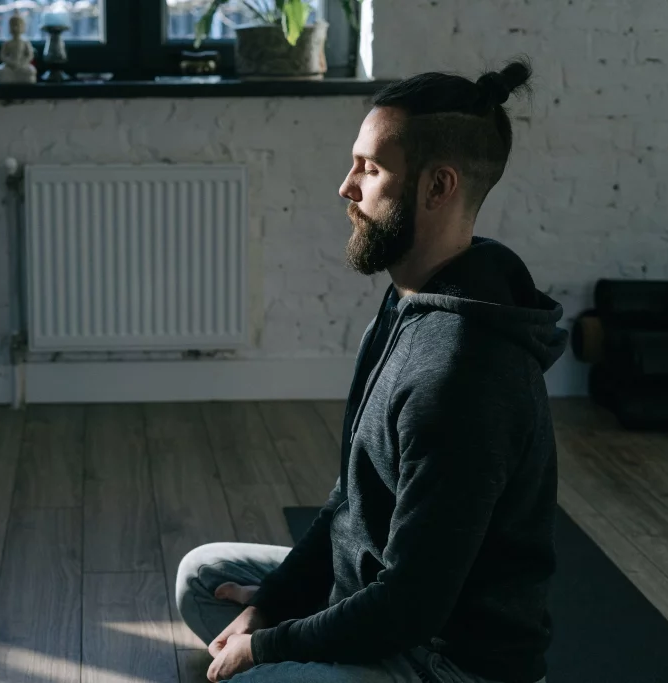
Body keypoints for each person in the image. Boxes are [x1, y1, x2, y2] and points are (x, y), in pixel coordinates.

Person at [176, 58, 566, 683]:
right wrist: (275, 602)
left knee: (247, 674)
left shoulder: (464, 374)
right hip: (378, 601)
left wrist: (269, 647)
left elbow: (412, 605)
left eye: (371, 169)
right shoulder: (415, 297)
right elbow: (353, 497)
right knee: (205, 575)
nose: (346, 187)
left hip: (439, 660)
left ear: (438, 187)